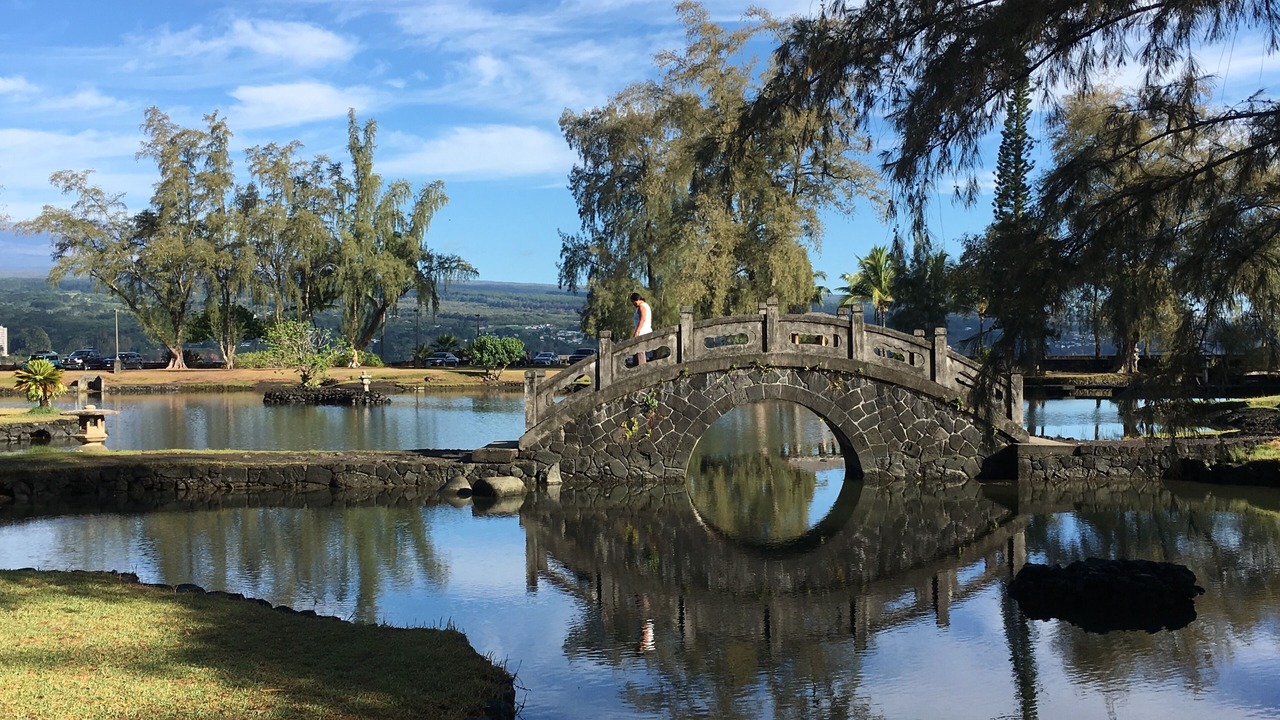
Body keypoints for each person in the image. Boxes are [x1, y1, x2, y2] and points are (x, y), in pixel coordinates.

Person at [631, 292, 652, 365]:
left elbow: (642, 320)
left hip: (642, 332)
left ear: (636, 300)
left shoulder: (641, 306)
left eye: (633, 302)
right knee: (637, 352)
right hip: (645, 331)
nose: (633, 304)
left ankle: (642, 368)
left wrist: (637, 331)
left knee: (640, 352)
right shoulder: (646, 305)